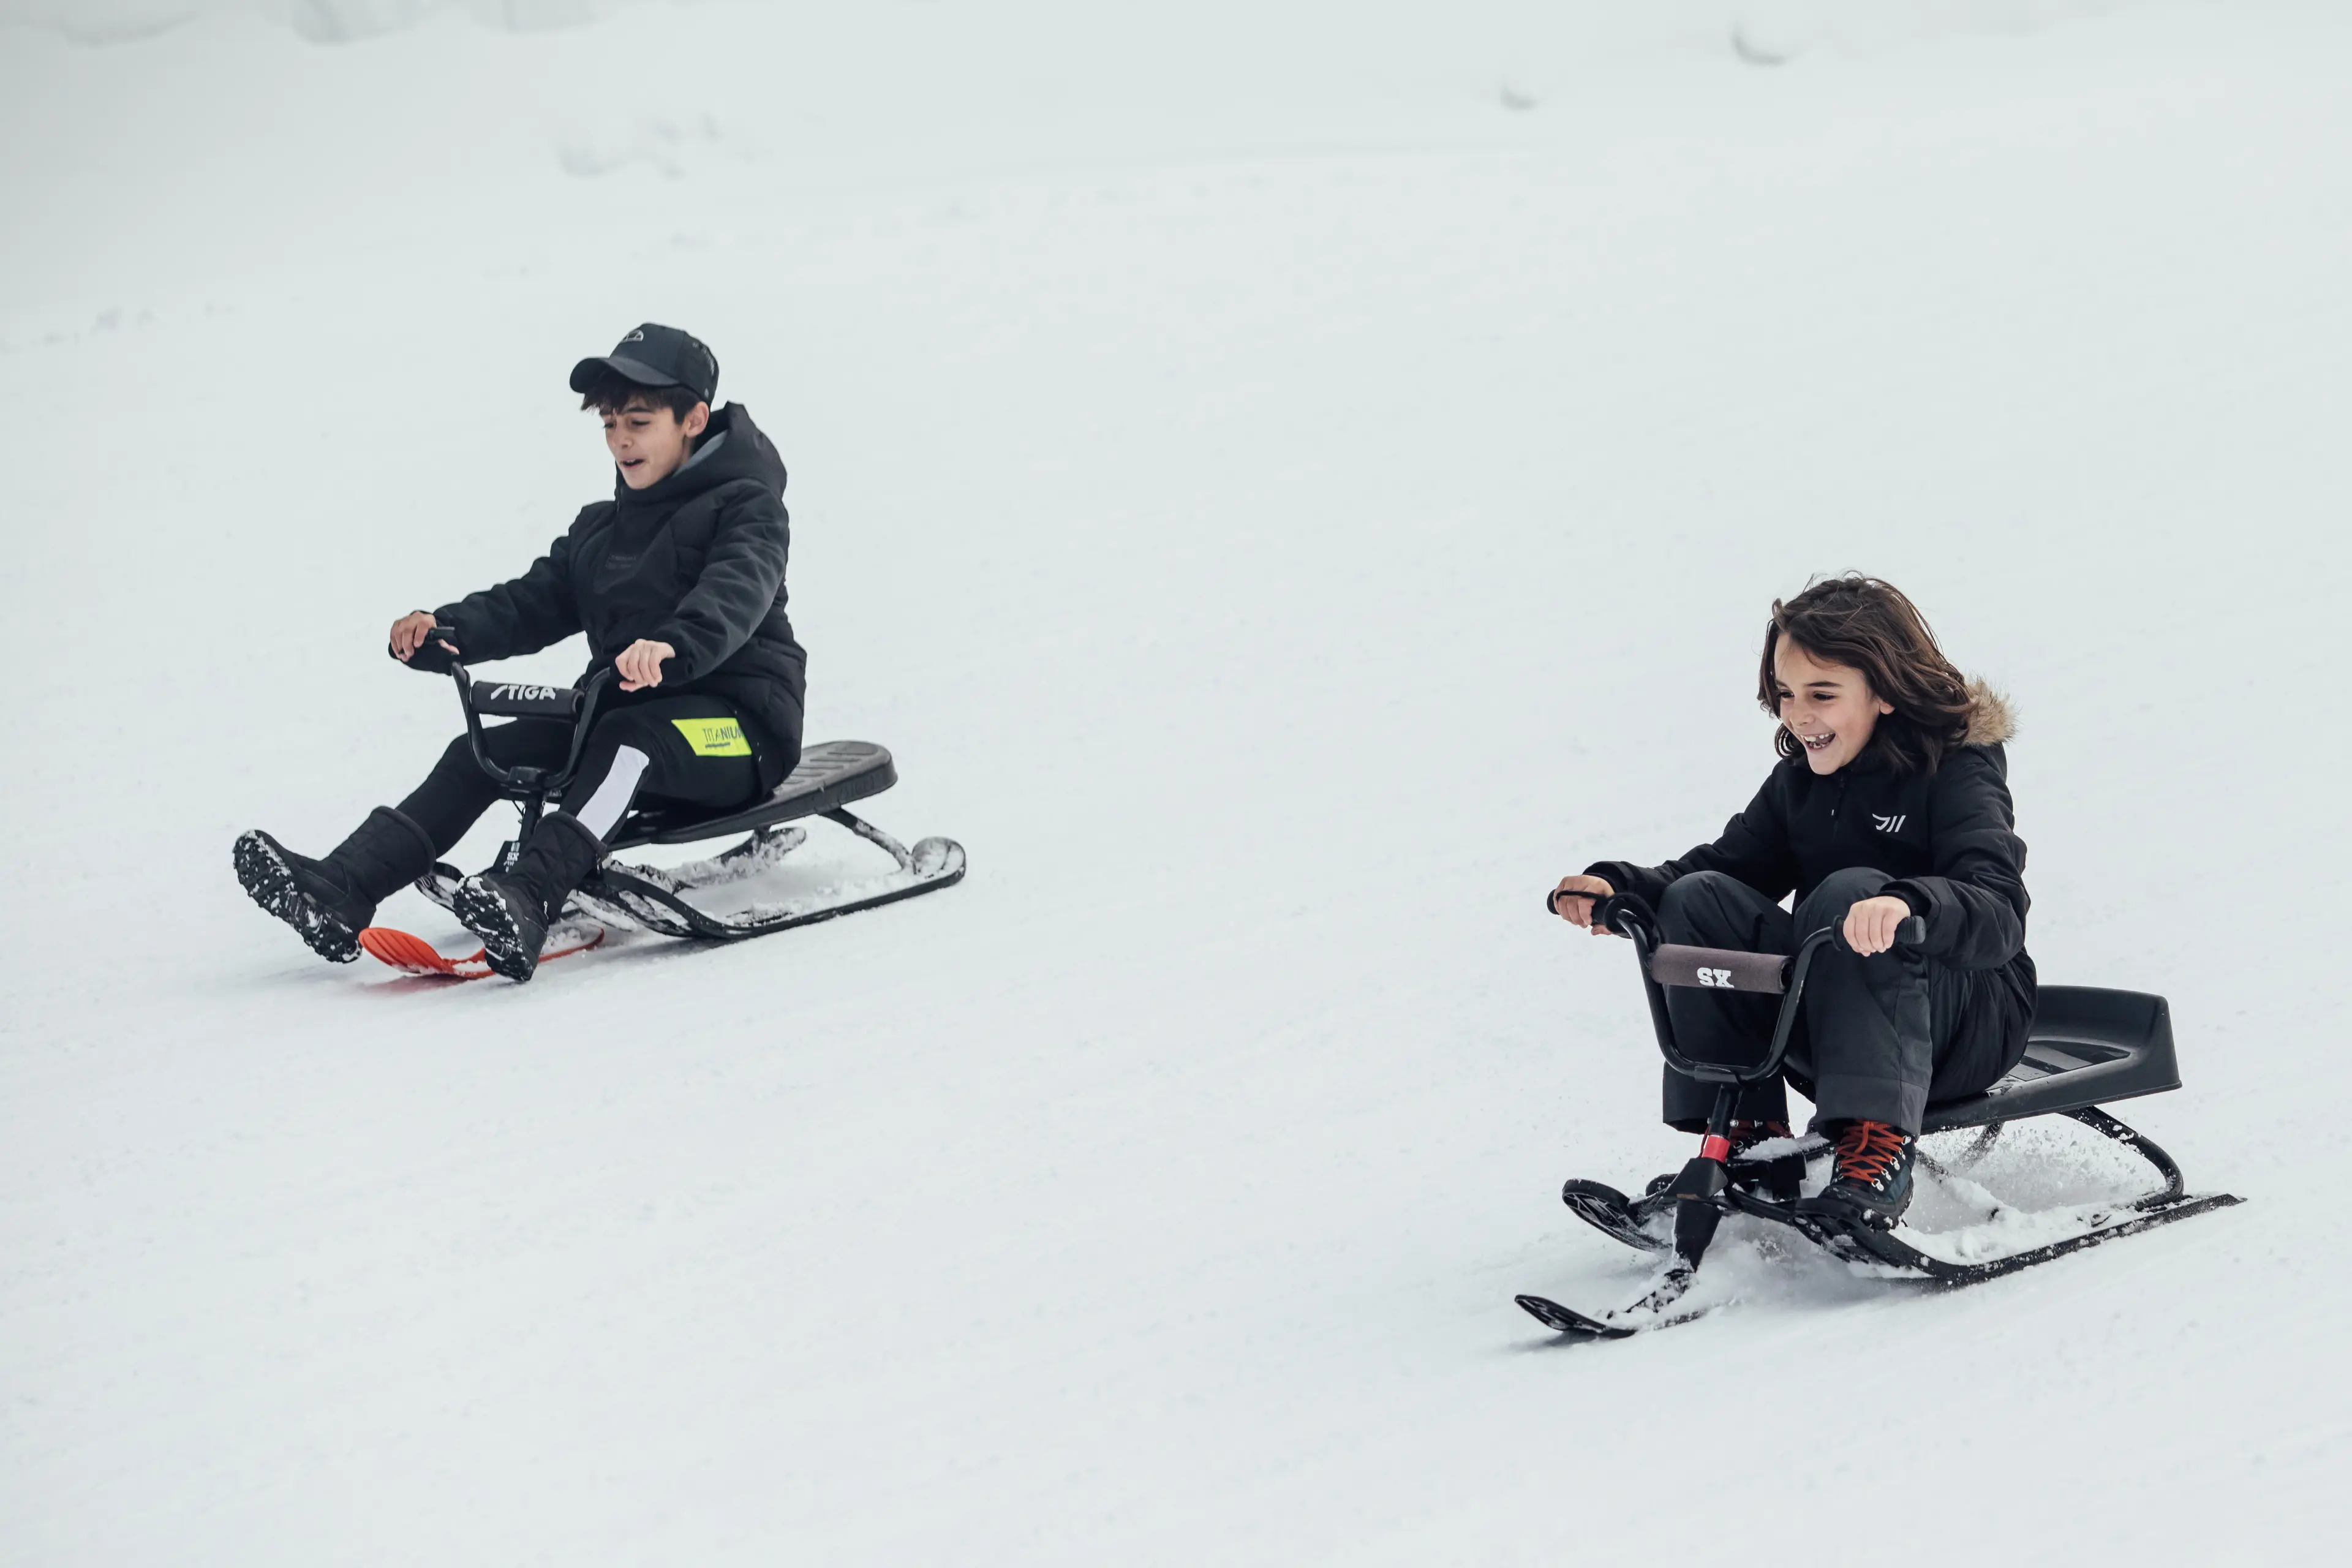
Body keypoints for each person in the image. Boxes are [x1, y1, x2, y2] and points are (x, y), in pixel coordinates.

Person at [235, 323, 806, 981]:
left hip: (738, 732)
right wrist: (444, 630)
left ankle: (531, 894)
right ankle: (341, 887)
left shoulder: (748, 507)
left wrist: (674, 645)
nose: (621, 440)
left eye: (640, 422)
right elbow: (530, 602)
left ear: (694, 419)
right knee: (481, 753)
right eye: (611, 424)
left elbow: (737, 590)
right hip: (627, 711)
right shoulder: (602, 528)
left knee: (630, 739)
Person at [1548, 575, 2033, 1228]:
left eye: (1822, 695)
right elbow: (1722, 869)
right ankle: (1753, 1143)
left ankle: (1877, 1150)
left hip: (1966, 1021)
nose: (1798, 715)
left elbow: (1997, 906)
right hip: (1845, 1021)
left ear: (1885, 691)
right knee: (1698, 903)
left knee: (1851, 892)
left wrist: (1907, 904)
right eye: (1786, 694)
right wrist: (1620, 888)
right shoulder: (1802, 783)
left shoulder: (1957, 769)